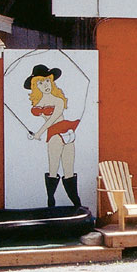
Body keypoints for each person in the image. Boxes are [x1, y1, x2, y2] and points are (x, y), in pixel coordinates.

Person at [25, 64, 82, 207]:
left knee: (69, 170)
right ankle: (51, 203)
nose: (45, 85)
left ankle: (76, 205)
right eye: (40, 82)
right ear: (35, 85)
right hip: (55, 135)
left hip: (66, 132)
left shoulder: (58, 100)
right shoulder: (38, 103)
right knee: (53, 168)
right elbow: (47, 120)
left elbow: (52, 119)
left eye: (47, 81)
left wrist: (38, 133)